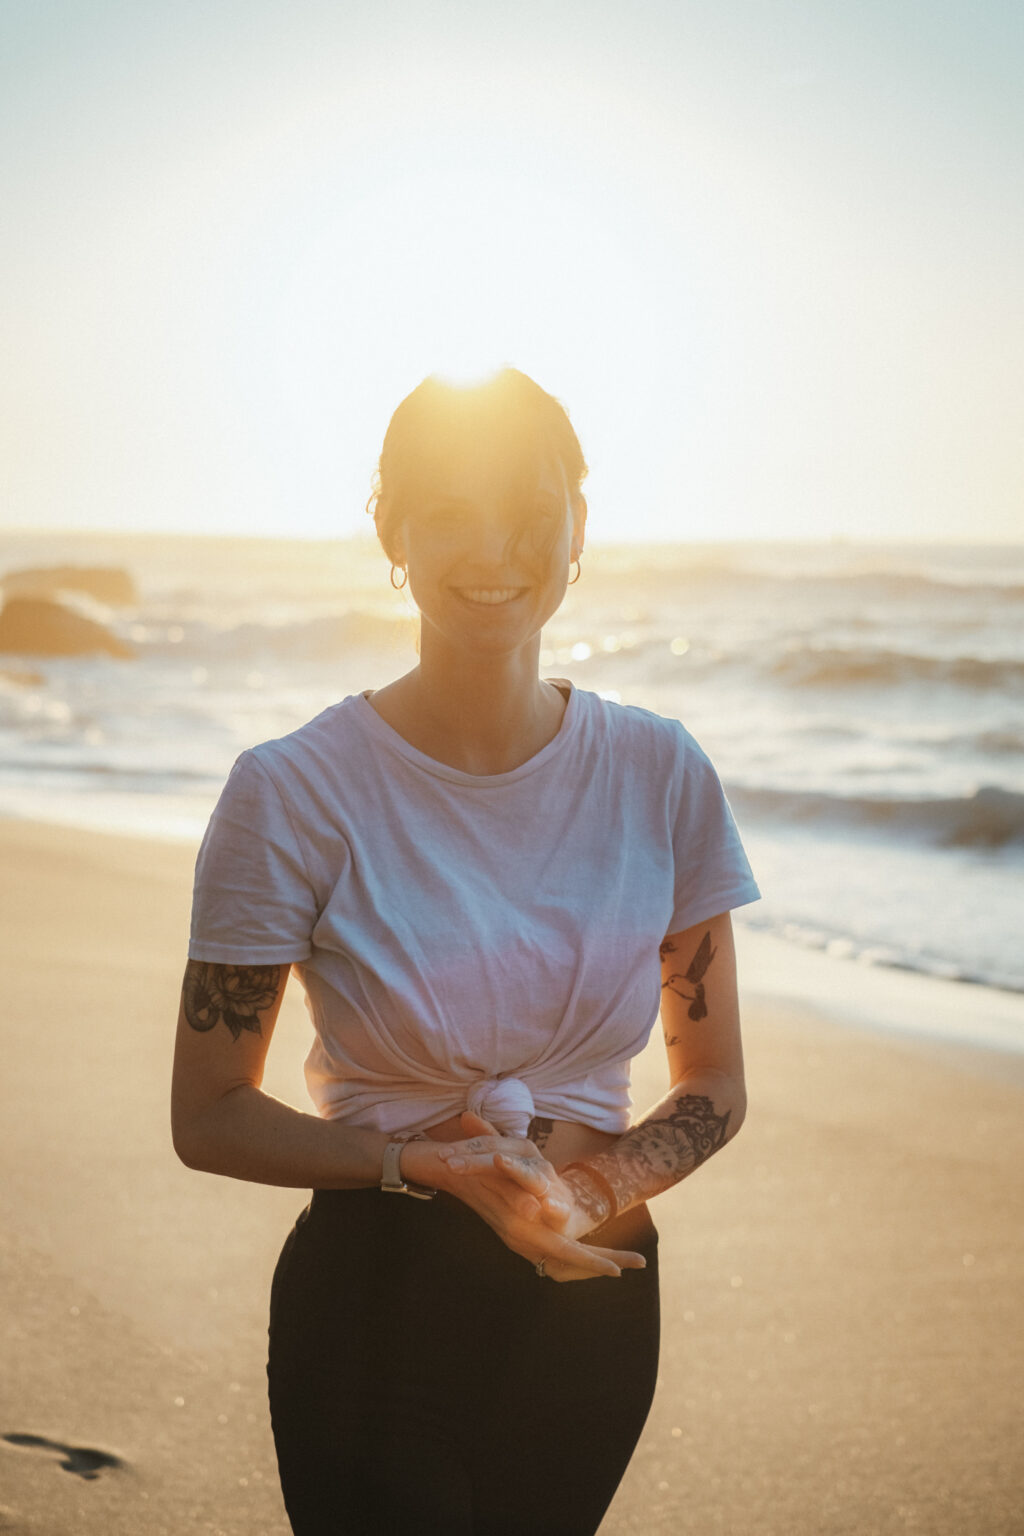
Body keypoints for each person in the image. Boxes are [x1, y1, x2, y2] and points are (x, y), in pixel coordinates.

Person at [171, 368, 760, 1536]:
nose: (493, 548)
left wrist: (583, 1196)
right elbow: (210, 1117)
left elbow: (714, 1085)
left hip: (595, 1283)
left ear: (578, 529)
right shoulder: (291, 792)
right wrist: (433, 1170)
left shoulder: (660, 773)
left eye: (528, 508)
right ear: (391, 529)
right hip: (377, 1289)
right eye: (449, 510)